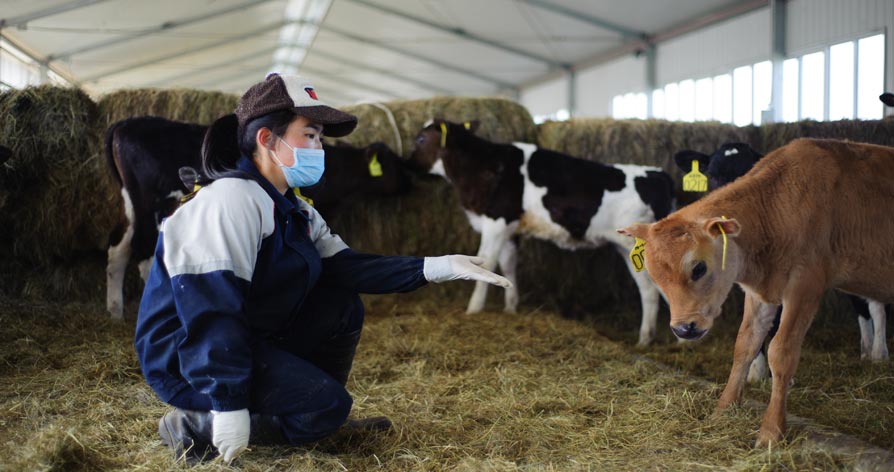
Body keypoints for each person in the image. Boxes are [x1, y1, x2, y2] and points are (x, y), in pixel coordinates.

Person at [133, 73, 512, 465]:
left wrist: (437, 266)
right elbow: (210, 310)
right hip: (187, 357)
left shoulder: (293, 206)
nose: (319, 147)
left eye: (320, 139)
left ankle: (313, 416)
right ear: (266, 139)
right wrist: (227, 403)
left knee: (341, 304)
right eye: (309, 135)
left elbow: (346, 267)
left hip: (246, 334)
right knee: (326, 405)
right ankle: (198, 423)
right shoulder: (230, 201)